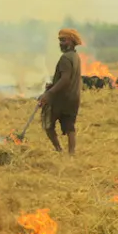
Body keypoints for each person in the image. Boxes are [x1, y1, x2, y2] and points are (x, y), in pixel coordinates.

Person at [39, 27, 83, 156]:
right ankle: (71, 154)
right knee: (70, 126)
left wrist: (49, 93)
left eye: (63, 40)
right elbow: (67, 79)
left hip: (60, 99)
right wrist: (52, 85)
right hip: (73, 98)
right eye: (60, 40)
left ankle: (58, 149)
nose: (61, 43)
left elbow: (65, 80)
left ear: (70, 40)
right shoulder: (76, 57)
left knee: (48, 124)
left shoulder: (65, 58)